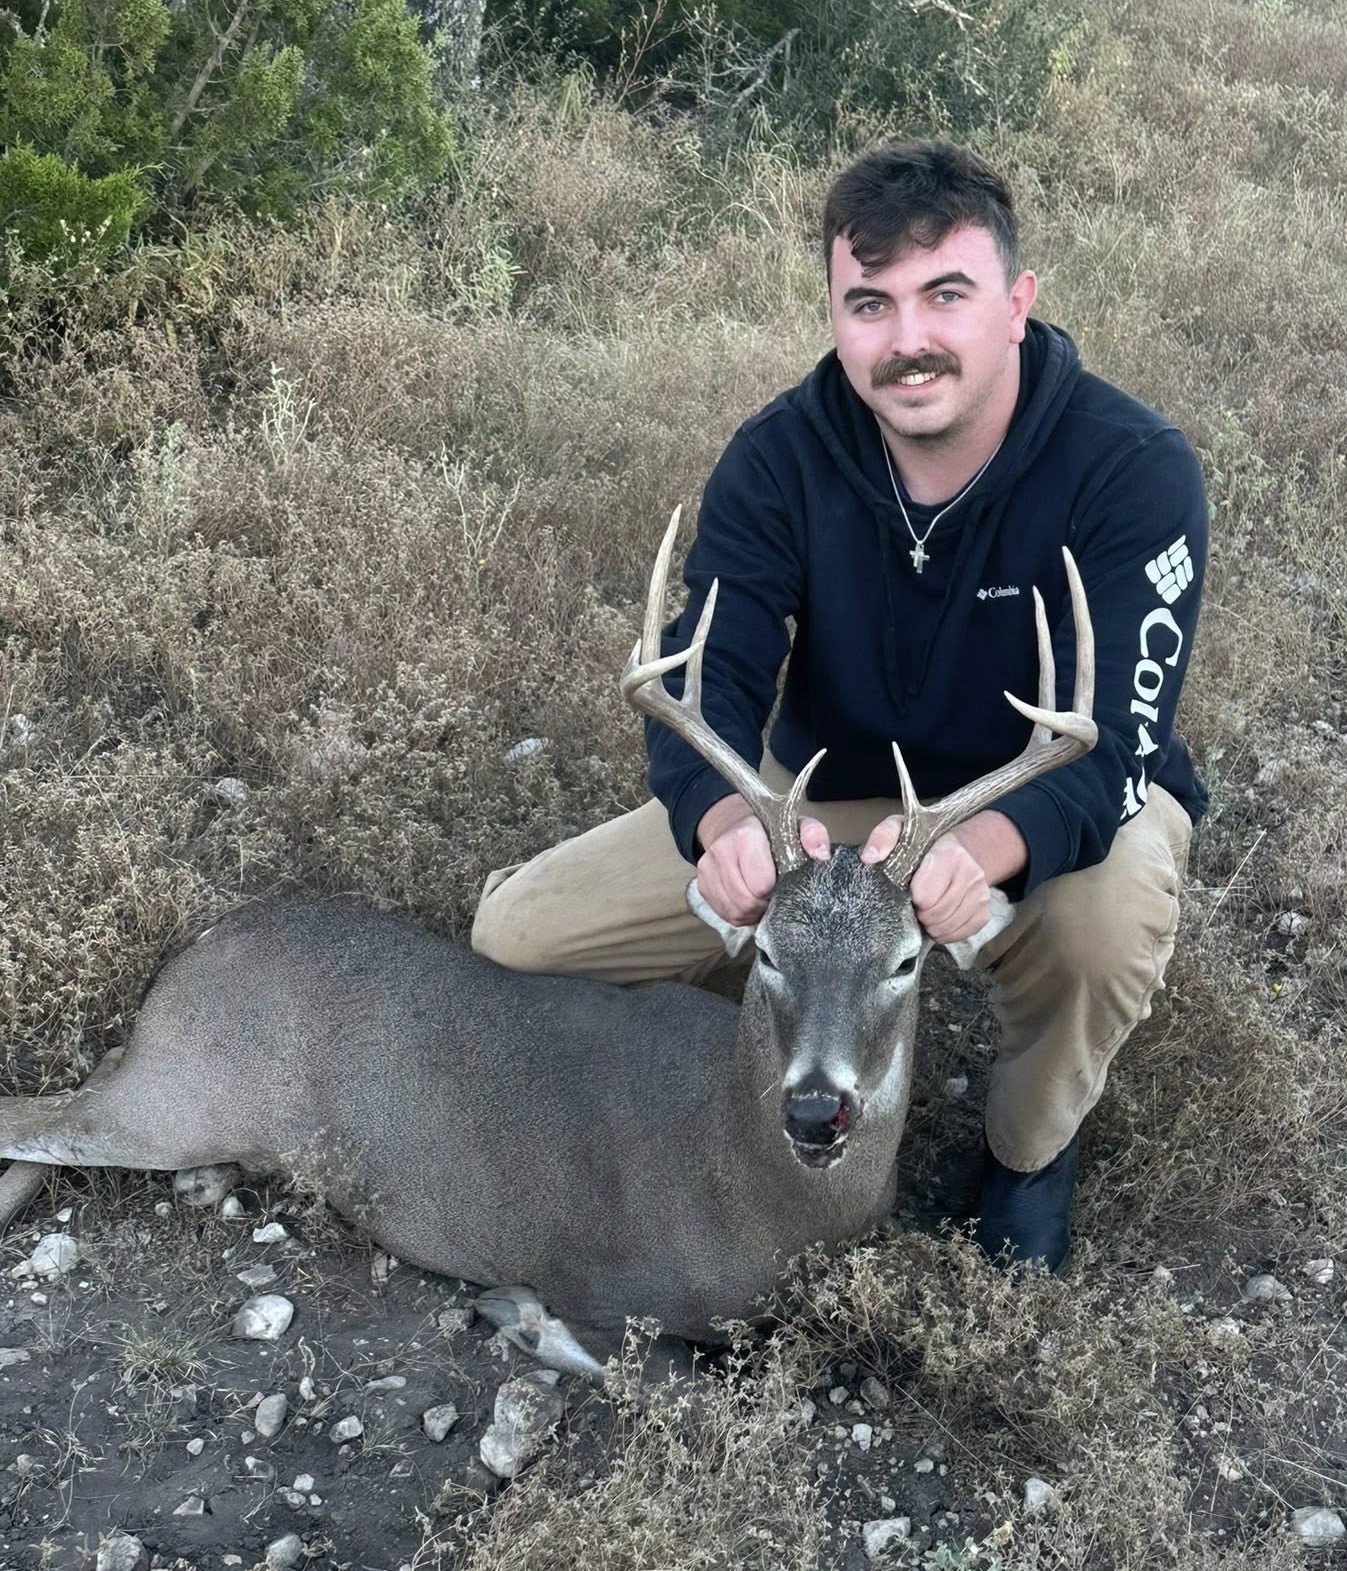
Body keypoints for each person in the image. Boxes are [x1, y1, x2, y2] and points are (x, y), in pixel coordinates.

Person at [472, 138, 1207, 1272]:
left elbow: (1109, 743)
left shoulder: (1130, 469)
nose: (907, 339)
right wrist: (726, 834)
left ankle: (1028, 1148)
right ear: (835, 313)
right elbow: (705, 678)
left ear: (1017, 303)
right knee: (518, 935)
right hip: (824, 811)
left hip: (1042, 798)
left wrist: (989, 848)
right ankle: (796, 1024)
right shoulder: (781, 458)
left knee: (1097, 924)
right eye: (870, 303)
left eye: (944, 295)